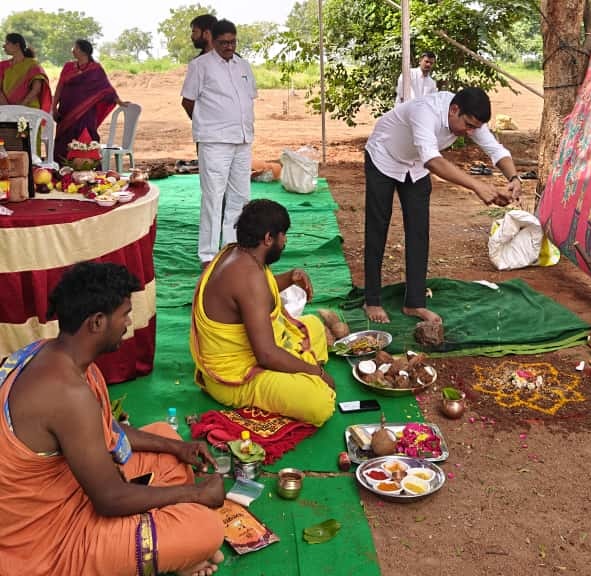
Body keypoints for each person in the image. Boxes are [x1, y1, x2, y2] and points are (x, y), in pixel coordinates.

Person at [0, 262, 225, 576]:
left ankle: (169, 548)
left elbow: (103, 429)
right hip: (44, 546)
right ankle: (173, 550)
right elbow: (109, 499)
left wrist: (175, 449)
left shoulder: (55, 354)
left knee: (166, 440)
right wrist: (197, 494)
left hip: (72, 491)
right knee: (207, 529)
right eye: (125, 314)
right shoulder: (66, 393)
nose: (129, 324)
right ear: (96, 322)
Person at [364, 87, 523, 324]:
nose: (470, 133)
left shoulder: (469, 119)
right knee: (378, 227)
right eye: (468, 125)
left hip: (415, 166)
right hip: (383, 157)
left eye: (474, 128)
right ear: (454, 110)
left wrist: (514, 178)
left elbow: (495, 149)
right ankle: (372, 300)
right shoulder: (424, 111)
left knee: (419, 231)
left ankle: (414, 303)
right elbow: (433, 160)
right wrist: (477, 186)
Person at [190, 199, 336, 427]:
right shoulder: (248, 276)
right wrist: (316, 372)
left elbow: (255, 299)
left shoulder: (237, 253)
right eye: (283, 235)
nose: (285, 241)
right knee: (319, 402)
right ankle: (302, 372)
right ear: (268, 238)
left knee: (314, 326)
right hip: (236, 377)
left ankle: (298, 368)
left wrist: (290, 277)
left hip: (255, 349)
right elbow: (266, 355)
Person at [181, 19, 257, 268]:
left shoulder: (243, 65)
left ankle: (233, 247)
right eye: (223, 42)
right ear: (212, 40)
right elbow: (188, 101)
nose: (229, 47)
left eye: (233, 42)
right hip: (214, 142)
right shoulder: (200, 66)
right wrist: (207, 124)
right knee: (213, 197)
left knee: (240, 196)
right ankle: (208, 255)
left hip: (243, 139)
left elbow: (249, 98)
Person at [52, 39, 127, 165]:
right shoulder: (68, 67)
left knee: (86, 138)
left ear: (83, 51)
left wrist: (119, 101)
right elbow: (60, 86)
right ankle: (61, 171)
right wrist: (54, 107)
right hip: (66, 111)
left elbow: (106, 88)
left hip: (86, 113)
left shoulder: (95, 69)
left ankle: (88, 169)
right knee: (63, 139)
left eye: (75, 48)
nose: (72, 50)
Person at [0, 33, 52, 110]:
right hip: (5, 110)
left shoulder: (32, 65)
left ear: (17, 45)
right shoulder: (2, 65)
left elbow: (36, 89)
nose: (3, 46)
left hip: (29, 110)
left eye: (7, 43)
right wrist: (8, 108)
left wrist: (21, 107)